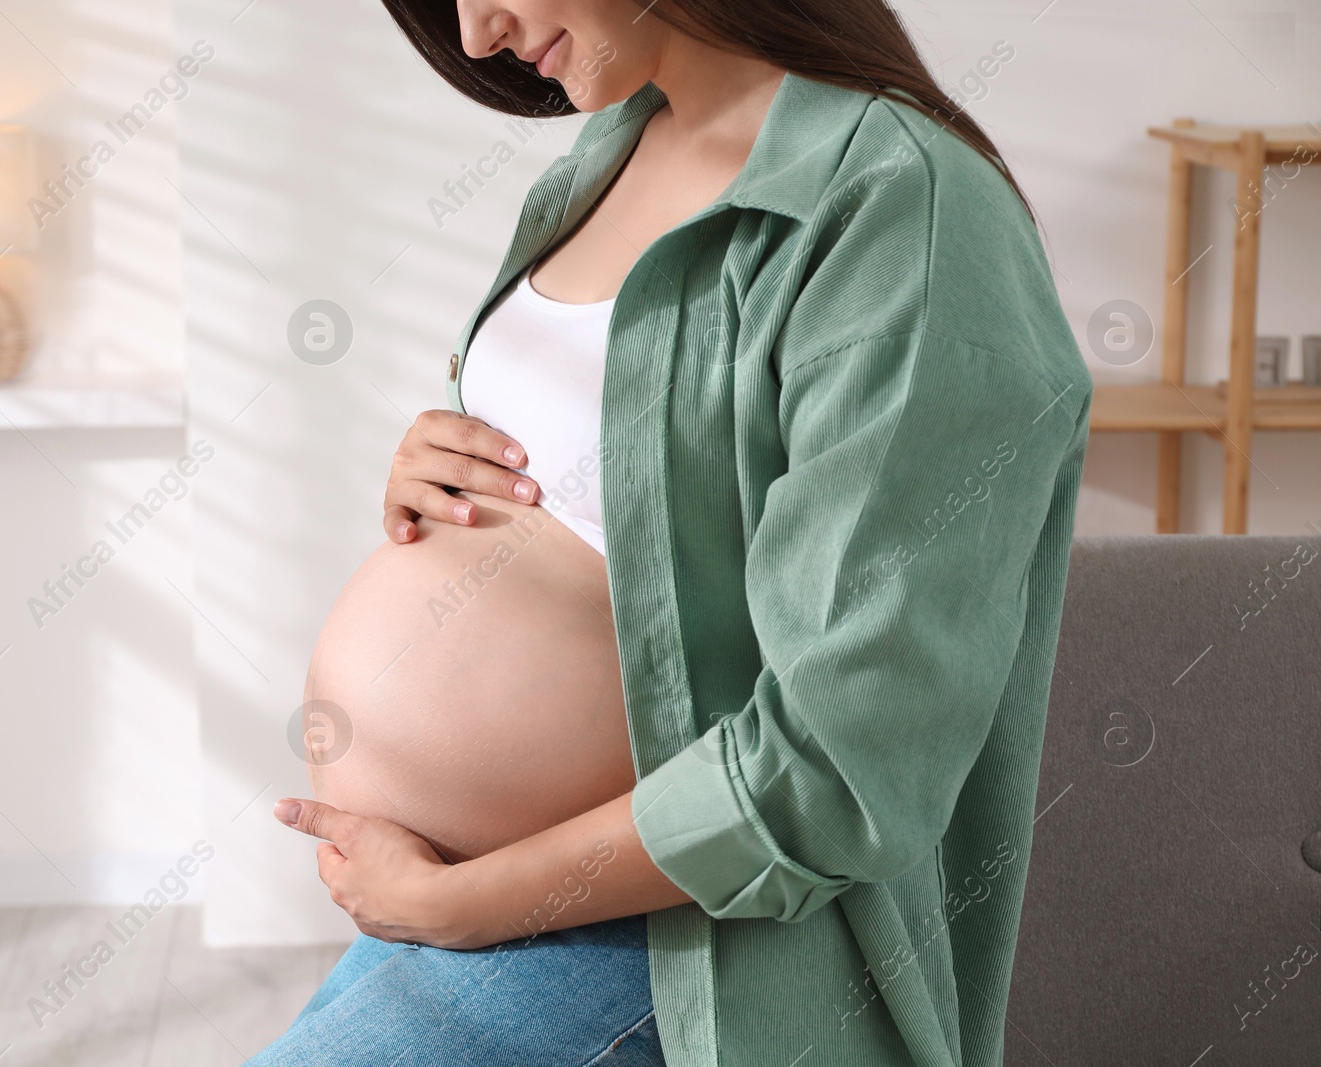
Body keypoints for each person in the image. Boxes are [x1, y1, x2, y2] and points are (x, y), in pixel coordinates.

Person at [252, 1, 1092, 1064]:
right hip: (494, 908)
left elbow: (842, 759)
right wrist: (441, 449)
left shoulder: (900, 207)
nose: (475, 34)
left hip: (683, 947)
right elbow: (628, 481)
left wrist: (471, 904)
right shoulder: (609, 147)